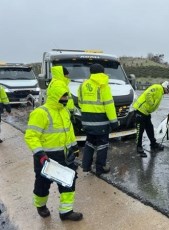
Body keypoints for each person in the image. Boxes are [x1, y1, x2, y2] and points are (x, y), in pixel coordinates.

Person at [24, 84, 83, 221]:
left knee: (68, 182)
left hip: (65, 155)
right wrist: (40, 154)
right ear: (55, 96)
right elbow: (31, 136)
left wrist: (74, 147)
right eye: (63, 95)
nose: (66, 98)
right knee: (43, 184)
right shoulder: (40, 113)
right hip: (46, 157)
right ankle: (41, 206)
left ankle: (66, 211)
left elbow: (69, 132)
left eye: (67, 95)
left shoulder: (64, 111)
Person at [78, 63, 118, 176]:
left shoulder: (83, 85)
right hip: (101, 122)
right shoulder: (103, 86)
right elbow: (109, 105)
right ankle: (100, 168)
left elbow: (80, 103)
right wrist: (114, 121)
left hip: (86, 120)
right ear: (103, 72)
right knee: (102, 144)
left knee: (89, 142)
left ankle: (86, 166)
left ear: (91, 73)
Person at [133, 81, 169, 157]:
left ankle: (153, 143)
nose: (168, 92)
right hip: (140, 110)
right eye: (168, 90)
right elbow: (148, 94)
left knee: (150, 128)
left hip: (146, 112)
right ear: (165, 87)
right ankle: (139, 146)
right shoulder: (157, 87)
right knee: (140, 130)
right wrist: (152, 103)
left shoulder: (161, 92)